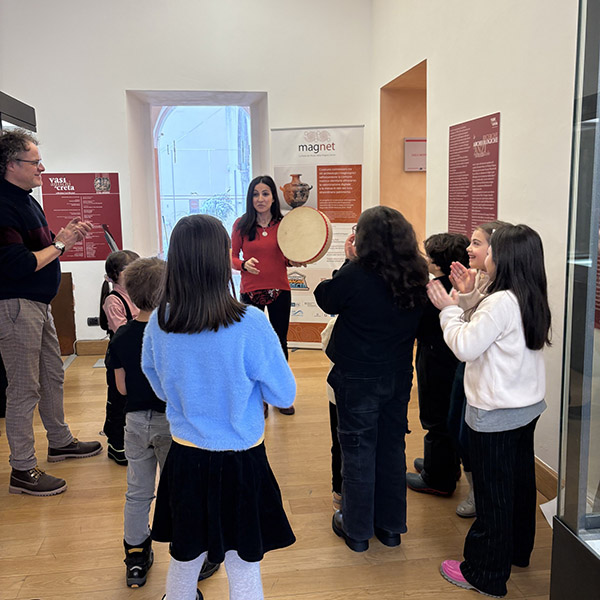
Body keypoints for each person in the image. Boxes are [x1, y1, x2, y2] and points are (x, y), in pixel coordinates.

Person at [142, 215, 296, 600]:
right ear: (221, 259)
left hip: (186, 457)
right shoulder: (249, 324)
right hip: (242, 461)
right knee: (243, 564)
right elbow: (284, 395)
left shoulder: (160, 322)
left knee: (185, 556)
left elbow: (156, 380)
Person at [428, 224, 551, 598]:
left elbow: (466, 346)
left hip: (496, 414)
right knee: (519, 485)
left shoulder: (500, 302)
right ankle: (516, 552)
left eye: (489, 248)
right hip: (525, 408)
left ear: (506, 257)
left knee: (493, 494)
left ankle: (485, 573)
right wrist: (467, 300)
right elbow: (488, 336)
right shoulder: (529, 294)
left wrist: (449, 310)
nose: (481, 253)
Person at [314, 206, 428, 552]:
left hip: (357, 378)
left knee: (357, 451)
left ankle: (357, 530)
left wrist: (348, 262)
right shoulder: (416, 274)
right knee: (392, 449)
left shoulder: (356, 274)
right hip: (398, 375)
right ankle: (390, 528)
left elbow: (325, 298)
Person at [107, 256, 220, 588]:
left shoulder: (122, 336)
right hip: (171, 426)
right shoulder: (175, 335)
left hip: (134, 424)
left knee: (137, 492)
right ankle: (189, 554)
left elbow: (121, 388)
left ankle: (136, 557)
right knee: (182, 491)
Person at [0, 129, 101, 496]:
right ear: (11, 164)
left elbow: (43, 250)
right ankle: (22, 468)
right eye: (35, 162)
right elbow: (20, 264)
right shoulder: (3, 205)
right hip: (16, 306)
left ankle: (59, 442)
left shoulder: (26, 200)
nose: (41, 167)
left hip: (38, 305)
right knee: (24, 388)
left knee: (53, 375)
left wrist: (63, 238)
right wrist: (61, 243)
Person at [446, 220, 511, 518]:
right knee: (456, 428)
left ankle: (481, 497)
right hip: (470, 369)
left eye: (476, 243)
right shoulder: (481, 279)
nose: (469, 249)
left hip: (485, 377)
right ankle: (476, 490)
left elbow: (472, 335)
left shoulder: (502, 294)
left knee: (471, 437)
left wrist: (452, 307)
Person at [231, 175, 299, 416]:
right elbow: (232, 257)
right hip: (250, 292)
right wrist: (242, 265)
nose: (260, 199)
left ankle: (281, 395)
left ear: (273, 197)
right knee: (252, 345)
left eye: (265, 193)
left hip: (280, 290)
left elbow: (289, 255)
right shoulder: (241, 224)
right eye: (255, 194)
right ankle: (257, 397)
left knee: (280, 343)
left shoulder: (284, 224)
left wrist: (294, 259)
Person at [408, 232, 469, 497]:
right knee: (449, 413)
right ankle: (446, 465)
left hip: (435, 358)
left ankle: (437, 477)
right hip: (453, 358)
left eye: (429, 256)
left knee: (435, 418)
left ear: (439, 262)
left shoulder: (434, 290)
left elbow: (417, 325)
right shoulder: (461, 285)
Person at [100, 249, 140, 465]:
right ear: (114, 275)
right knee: (118, 400)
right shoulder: (113, 300)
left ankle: (135, 440)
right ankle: (116, 445)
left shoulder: (138, 295)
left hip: (138, 355)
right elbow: (122, 332)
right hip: (120, 358)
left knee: (134, 398)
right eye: (128, 270)